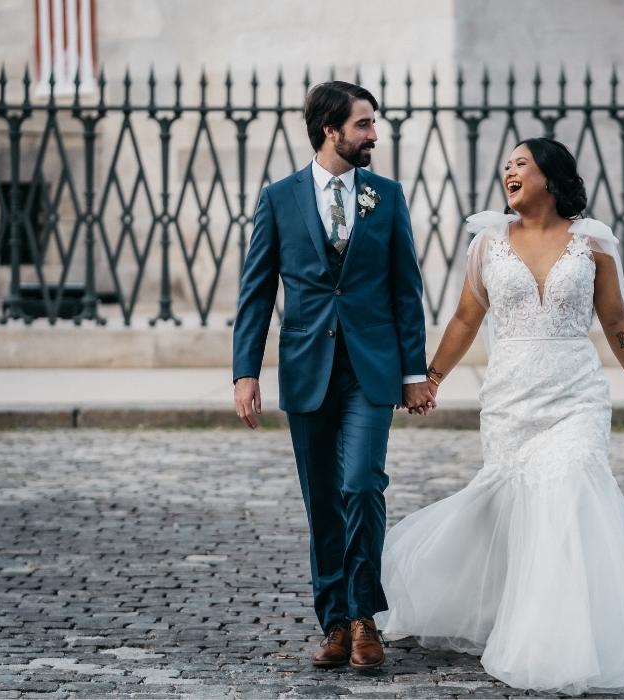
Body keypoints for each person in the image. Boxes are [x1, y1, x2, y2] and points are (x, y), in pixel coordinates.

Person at [375, 137, 624, 694]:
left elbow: (614, 317)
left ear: (550, 176)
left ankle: (567, 633)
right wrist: (433, 377)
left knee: (568, 490)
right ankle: (495, 604)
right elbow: (467, 320)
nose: (509, 171)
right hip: (511, 396)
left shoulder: (592, 243)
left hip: (576, 394)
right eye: (507, 165)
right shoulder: (488, 243)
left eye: (521, 163)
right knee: (514, 504)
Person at [232, 80, 434, 673]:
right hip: (307, 369)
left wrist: (414, 371)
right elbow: (256, 292)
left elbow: (406, 290)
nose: (374, 134)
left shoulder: (387, 195)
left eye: (373, 124)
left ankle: (366, 615)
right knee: (323, 500)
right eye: (364, 125)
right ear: (331, 130)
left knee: (362, 485)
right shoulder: (279, 198)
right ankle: (335, 623)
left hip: (371, 372)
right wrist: (245, 373)